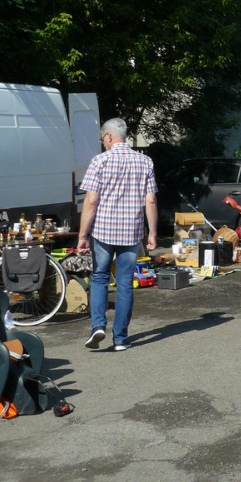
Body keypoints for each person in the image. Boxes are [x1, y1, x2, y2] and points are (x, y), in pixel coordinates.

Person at [77, 117, 158, 352]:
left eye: (103, 138)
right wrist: (152, 233)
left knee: (100, 277)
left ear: (110, 136)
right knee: (125, 284)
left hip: (103, 231)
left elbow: (91, 201)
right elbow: (150, 201)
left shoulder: (100, 161)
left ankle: (98, 326)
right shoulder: (145, 162)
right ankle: (121, 338)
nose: (103, 142)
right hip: (131, 232)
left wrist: (83, 235)